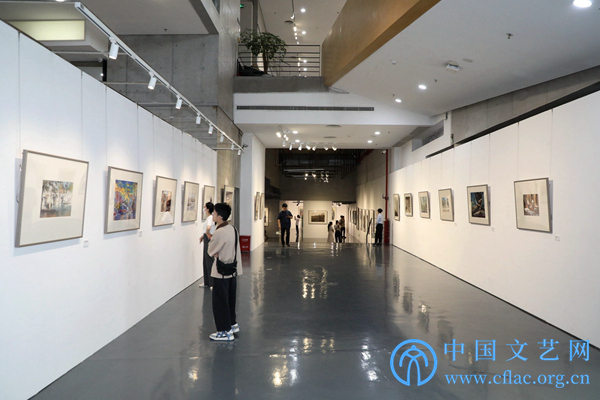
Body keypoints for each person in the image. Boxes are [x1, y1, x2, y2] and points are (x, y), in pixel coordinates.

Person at [207, 202, 242, 341]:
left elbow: (211, 250)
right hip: (232, 270)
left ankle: (224, 331)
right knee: (230, 300)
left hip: (221, 272)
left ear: (220, 217)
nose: (213, 215)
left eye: (214, 213)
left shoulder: (219, 232)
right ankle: (232, 324)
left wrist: (216, 252)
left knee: (220, 302)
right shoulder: (233, 229)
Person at [199, 202, 216, 288]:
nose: (204, 209)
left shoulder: (210, 218)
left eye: (205, 207)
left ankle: (211, 283)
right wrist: (203, 236)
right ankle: (207, 282)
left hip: (208, 239)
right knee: (205, 260)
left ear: (208, 209)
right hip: (206, 238)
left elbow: (208, 227)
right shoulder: (210, 218)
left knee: (209, 260)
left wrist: (207, 233)